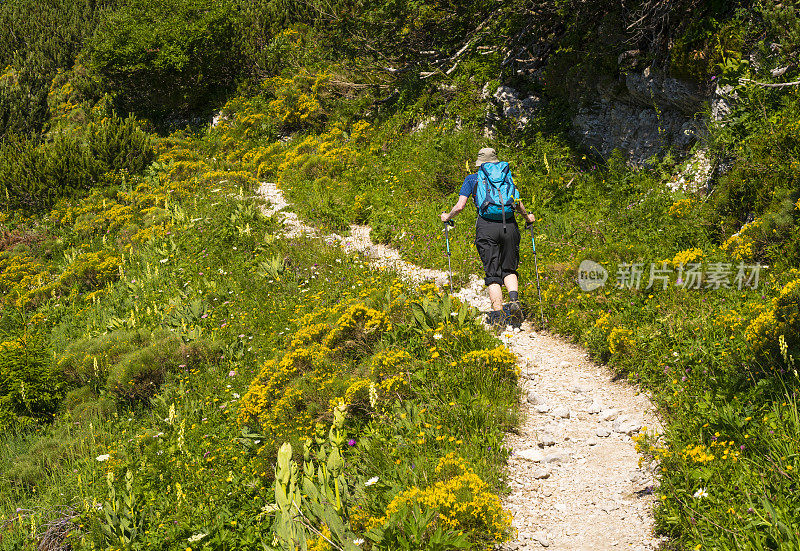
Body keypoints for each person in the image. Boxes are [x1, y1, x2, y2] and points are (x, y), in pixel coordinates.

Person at [440, 147, 535, 325]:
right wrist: (528, 217)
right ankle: (513, 300)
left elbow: (460, 206)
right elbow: (517, 203)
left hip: (486, 227)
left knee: (492, 272)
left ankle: (498, 315)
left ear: (480, 163)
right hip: (510, 225)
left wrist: (447, 217)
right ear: (496, 160)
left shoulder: (472, 178)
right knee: (509, 268)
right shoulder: (506, 175)